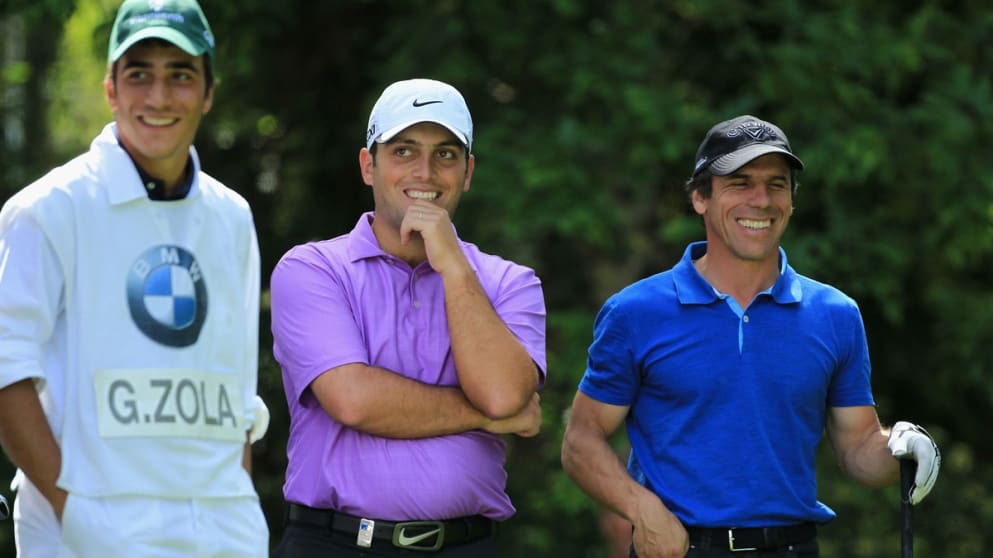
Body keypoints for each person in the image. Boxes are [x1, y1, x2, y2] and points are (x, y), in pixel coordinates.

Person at [560, 115, 941, 558]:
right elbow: (581, 440)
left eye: (777, 185)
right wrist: (641, 509)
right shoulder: (636, 312)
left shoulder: (835, 315)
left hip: (793, 548)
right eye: (740, 183)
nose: (761, 200)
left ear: (792, 201)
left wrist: (901, 448)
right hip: (680, 548)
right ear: (700, 198)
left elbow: (857, 447)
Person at [0, 1, 270, 556]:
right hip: (89, 533)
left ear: (209, 93)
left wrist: (239, 505)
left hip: (224, 533)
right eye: (139, 74)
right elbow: (6, 371)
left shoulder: (231, 217)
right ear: (110, 90)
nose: (159, 97)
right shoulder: (48, 210)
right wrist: (73, 509)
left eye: (181, 75)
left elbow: (236, 389)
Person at [270, 78, 546, 557]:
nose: (426, 171)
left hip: (466, 546)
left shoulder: (509, 283)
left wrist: (454, 266)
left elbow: (504, 394)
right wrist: (483, 414)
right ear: (368, 166)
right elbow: (353, 400)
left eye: (445, 154)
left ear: (468, 172)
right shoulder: (312, 269)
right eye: (403, 151)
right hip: (335, 543)